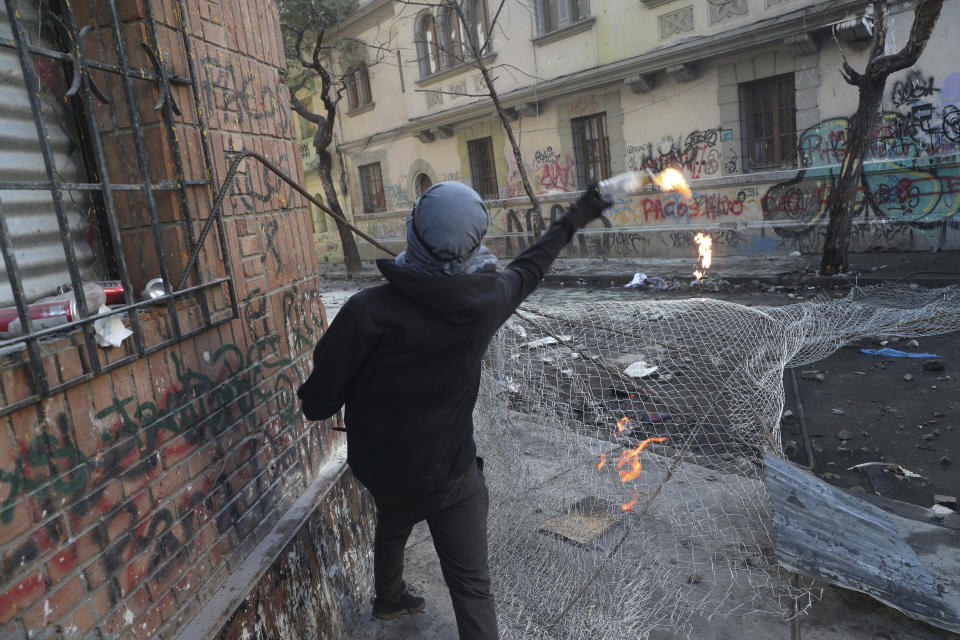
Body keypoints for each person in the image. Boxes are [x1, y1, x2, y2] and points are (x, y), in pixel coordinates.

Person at [297, 181, 611, 639]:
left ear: (412, 232)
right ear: (475, 244)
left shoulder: (367, 312)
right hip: (450, 476)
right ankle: (392, 600)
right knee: (472, 589)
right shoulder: (486, 302)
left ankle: (388, 601)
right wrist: (578, 214)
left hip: (383, 469)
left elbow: (317, 405)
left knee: (392, 519)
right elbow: (532, 266)